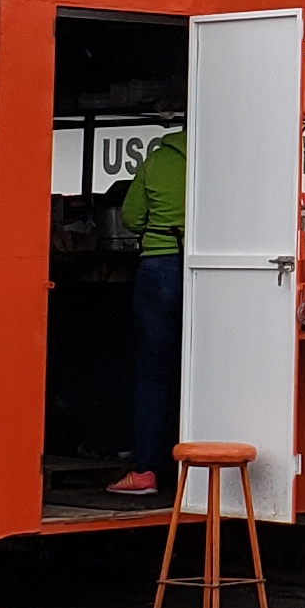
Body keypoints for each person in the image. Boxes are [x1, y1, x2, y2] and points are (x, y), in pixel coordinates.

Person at [107, 127, 188, 497]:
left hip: (159, 265)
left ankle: (146, 471)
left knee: (153, 374)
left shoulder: (158, 159)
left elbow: (131, 217)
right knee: (205, 374)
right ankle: (199, 468)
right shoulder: (222, 158)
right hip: (212, 271)